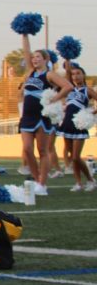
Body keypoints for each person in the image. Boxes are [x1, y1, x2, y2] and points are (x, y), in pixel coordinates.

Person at [16, 33, 71, 195]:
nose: (34, 59)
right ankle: (36, 177)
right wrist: (24, 35)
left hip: (42, 116)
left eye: (38, 57)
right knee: (26, 149)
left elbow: (67, 86)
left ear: (46, 59)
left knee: (42, 150)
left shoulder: (50, 74)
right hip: (27, 115)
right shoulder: (30, 72)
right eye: (33, 57)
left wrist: (55, 98)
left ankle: (42, 184)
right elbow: (26, 51)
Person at [58, 63, 94, 191]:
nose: (75, 76)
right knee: (72, 156)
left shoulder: (87, 90)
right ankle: (78, 183)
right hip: (67, 124)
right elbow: (67, 73)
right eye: (73, 74)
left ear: (83, 75)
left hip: (79, 125)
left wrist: (90, 113)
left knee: (75, 157)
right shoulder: (69, 89)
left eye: (78, 73)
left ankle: (91, 180)